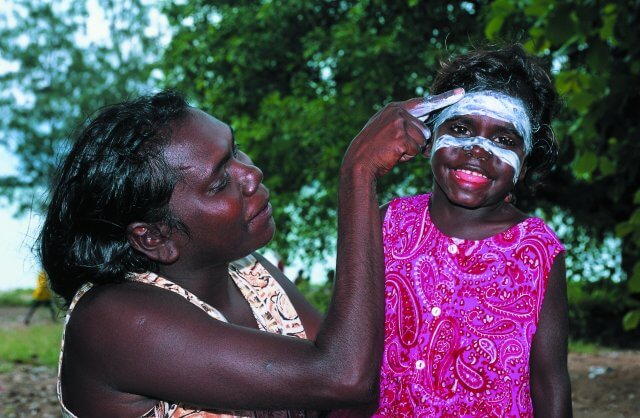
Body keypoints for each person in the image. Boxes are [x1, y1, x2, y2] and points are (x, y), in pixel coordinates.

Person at [39, 89, 463, 417]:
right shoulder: (114, 320)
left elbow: (349, 374)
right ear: (155, 237)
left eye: (235, 150)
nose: (250, 173)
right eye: (219, 181)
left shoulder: (248, 274)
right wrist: (359, 175)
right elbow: (343, 376)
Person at [368, 44, 572, 417]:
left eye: (504, 140)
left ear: (523, 166)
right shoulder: (387, 224)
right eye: (461, 128)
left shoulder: (538, 252)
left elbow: (551, 381)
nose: (478, 149)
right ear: (430, 138)